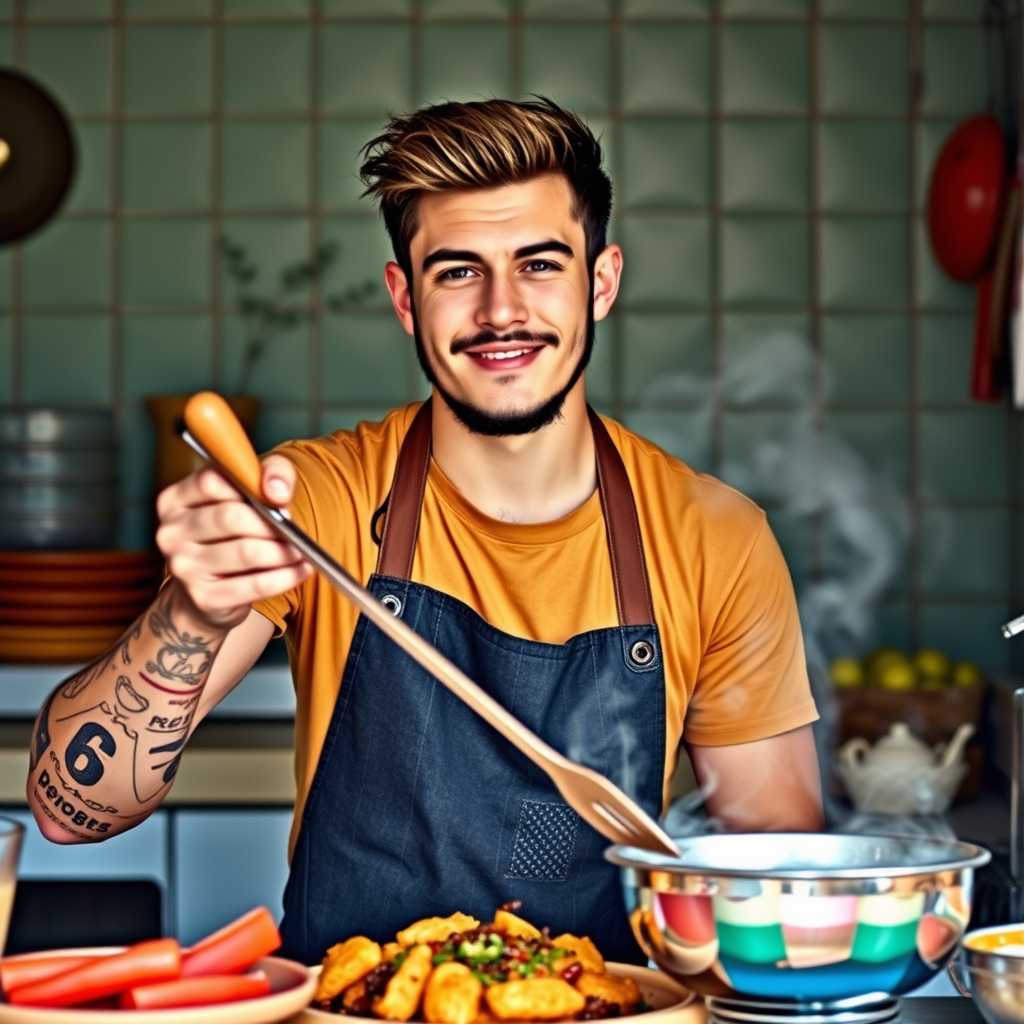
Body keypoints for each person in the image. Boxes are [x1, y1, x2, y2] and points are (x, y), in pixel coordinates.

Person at [27, 98, 822, 965]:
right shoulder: (317, 502)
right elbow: (72, 811)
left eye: (540, 265)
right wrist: (193, 616)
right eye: (457, 271)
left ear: (601, 281)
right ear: (406, 299)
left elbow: (774, 885)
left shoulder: (715, 539)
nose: (500, 310)